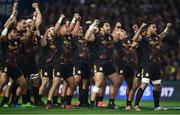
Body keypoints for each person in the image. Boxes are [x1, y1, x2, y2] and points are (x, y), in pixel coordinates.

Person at [133, 21, 172, 111]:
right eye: (153, 27)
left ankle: (157, 106)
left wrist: (167, 28)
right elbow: (135, 38)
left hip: (155, 64)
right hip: (146, 64)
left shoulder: (155, 37)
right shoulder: (143, 37)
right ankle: (136, 105)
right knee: (144, 84)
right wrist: (140, 28)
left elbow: (162, 35)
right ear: (149, 28)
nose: (156, 29)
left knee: (158, 85)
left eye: (156, 27)